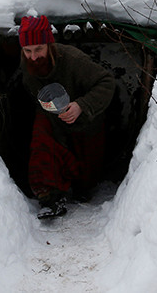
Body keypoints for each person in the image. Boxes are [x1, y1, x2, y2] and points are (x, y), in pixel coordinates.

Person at [18, 15, 115, 219]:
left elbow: (106, 83)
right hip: (51, 118)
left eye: (38, 49)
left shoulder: (73, 60)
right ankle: (49, 196)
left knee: (86, 182)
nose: (33, 57)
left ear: (49, 45)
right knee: (41, 141)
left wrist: (81, 106)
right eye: (28, 51)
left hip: (85, 119)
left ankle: (81, 185)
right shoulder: (27, 64)